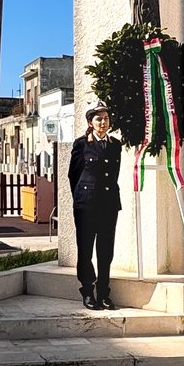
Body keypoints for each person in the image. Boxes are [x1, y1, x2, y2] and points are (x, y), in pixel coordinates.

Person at [68, 104, 122, 308]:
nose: (103, 122)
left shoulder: (115, 145)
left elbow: (113, 174)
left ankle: (104, 293)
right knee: (86, 250)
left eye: (106, 118)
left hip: (109, 205)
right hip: (86, 205)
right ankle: (88, 292)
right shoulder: (82, 144)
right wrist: (83, 196)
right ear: (90, 123)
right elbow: (74, 175)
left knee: (106, 250)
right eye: (99, 119)